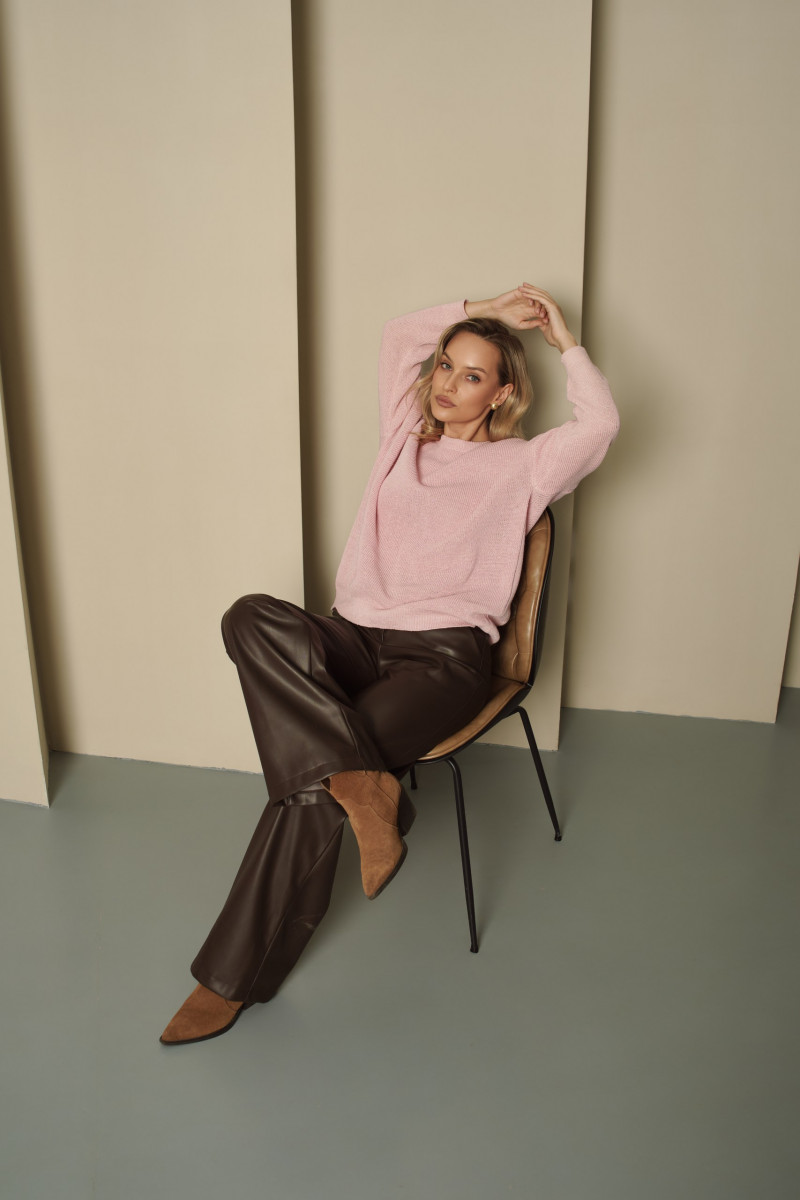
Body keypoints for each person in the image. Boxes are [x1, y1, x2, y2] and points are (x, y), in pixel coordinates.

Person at [159, 283, 620, 1045]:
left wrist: (562, 340)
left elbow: (600, 423)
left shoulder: (526, 465)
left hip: (441, 659)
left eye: (473, 375)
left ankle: (228, 980)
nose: (448, 383)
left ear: (503, 393)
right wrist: (484, 307)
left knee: (316, 783)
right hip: (354, 637)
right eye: (446, 366)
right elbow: (399, 334)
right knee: (249, 615)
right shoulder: (404, 434)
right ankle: (368, 788)